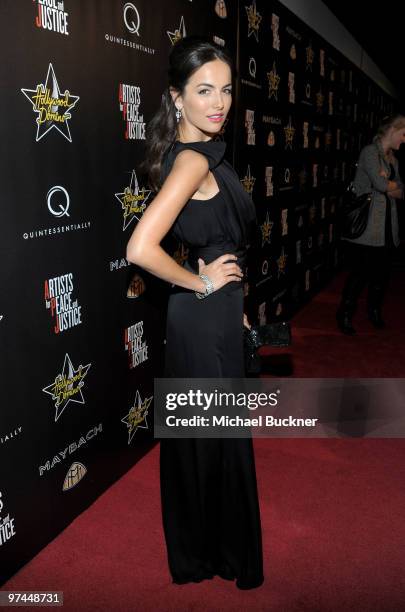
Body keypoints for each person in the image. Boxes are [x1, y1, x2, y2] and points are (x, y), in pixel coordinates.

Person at [126, 36, 264, 589]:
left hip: (213, 316)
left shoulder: (205, 152)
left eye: (226, 90)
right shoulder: (191, 159)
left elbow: (221, 247)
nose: (220, 102)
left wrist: (236, 307)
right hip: (202, 317)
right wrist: (202, 284)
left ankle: (204, 550)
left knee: (209, 437)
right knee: (214, 438)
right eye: (205, 90)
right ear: (177, 98)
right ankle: (213, 553)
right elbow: (140, 248)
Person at [336, 115, 405, 335]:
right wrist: (388, 185)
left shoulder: (393, 159)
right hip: (367, 227)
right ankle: (345, 314)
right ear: (393, 130)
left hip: (387, 228)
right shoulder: (369, 152)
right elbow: (380, 184)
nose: (404, 140)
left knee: (382, 276)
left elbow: (400, 190)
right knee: (359, 274)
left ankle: (374, 312)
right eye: (403, 134)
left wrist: (389, 184)